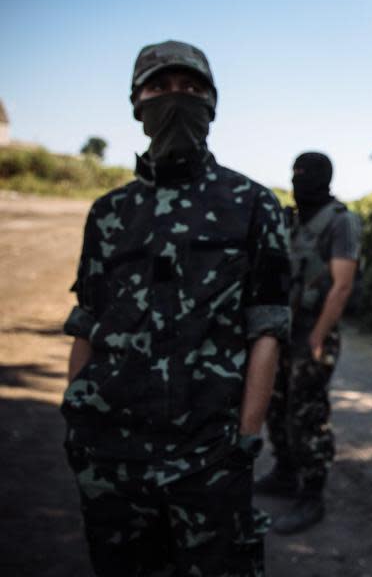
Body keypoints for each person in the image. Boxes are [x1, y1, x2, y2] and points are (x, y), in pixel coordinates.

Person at [61, 40, 291, 576]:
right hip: (112, 453)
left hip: (210, 455)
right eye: (160, 88)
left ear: (213, 103)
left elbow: (268, 330)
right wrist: (75, 419)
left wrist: (246, 440)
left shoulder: (253, 204)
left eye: (191, 89)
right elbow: (87, 325)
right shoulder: (109, 213)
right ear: (136, 102)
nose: (176, 99)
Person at [256, 152, 362, 534]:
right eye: (296, 173)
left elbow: (342, 284)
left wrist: (318, 336)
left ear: (325, 178)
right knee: (277, 404)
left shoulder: (340, 222)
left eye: (307, 174)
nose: (300, 180)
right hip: (282, 331)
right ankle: (285, 473)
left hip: (313, 333)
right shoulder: (293, 220)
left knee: (307, 413)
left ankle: (311, 494)